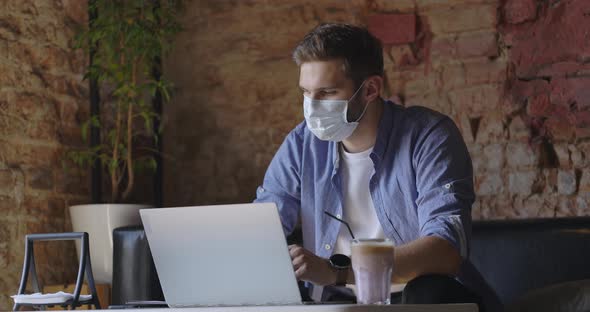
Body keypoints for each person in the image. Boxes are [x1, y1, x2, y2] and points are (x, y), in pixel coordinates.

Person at [254, 23, 502, 312]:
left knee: (429, 291)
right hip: (335, 303)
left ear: (370, 88)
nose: (312, 107)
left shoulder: (429, 136)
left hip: (417, 299)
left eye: (327, 93)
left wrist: (338, 273)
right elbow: (263, 226)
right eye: (307, 93)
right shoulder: (302, 144)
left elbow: (445, 248)